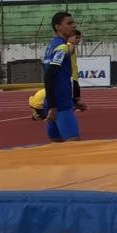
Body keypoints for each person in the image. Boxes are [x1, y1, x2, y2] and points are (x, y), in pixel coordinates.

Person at [42, 11, 81, 142]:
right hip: (60, 105)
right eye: (69, 23)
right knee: (74, 147)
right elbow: (49, 76)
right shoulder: (61, 47)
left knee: (57, 150)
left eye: (73, 23)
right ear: (58, 27)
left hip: (53, 102)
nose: (74, 26)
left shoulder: (51, 46)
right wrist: (54, 106)